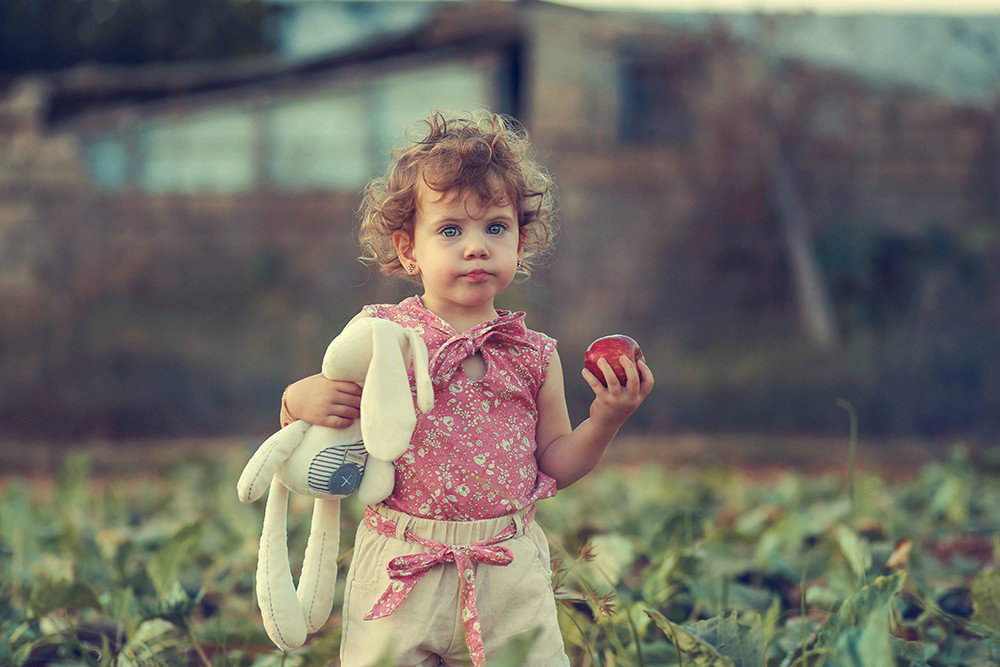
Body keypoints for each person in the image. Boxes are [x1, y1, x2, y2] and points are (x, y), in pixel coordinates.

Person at [280, 110, 654, 667]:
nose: (475, 246)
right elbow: (313, 432)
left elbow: (555, 463)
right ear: (409, 250)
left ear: (520, 243)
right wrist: (297, 399)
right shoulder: (383, 339)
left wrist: (606, 418)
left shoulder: (534, 354)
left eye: (495, 228)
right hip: (402, 564)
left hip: (508, 569)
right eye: (450, 230)